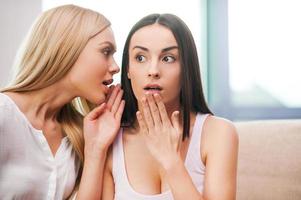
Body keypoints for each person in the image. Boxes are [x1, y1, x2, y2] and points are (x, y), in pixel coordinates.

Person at [102, 14, 238, 200]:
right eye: (140, 57)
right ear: (128, 69)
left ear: (186, 68)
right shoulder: (110, 138)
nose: (153, 71)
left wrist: (171, 161)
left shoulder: (219, 133)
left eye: (168, 58)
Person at [0, 4, 125, 200]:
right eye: (106, 51)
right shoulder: (3, 116)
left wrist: (95, 149)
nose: (115, 67)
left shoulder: (78, 133)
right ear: (67, 49)